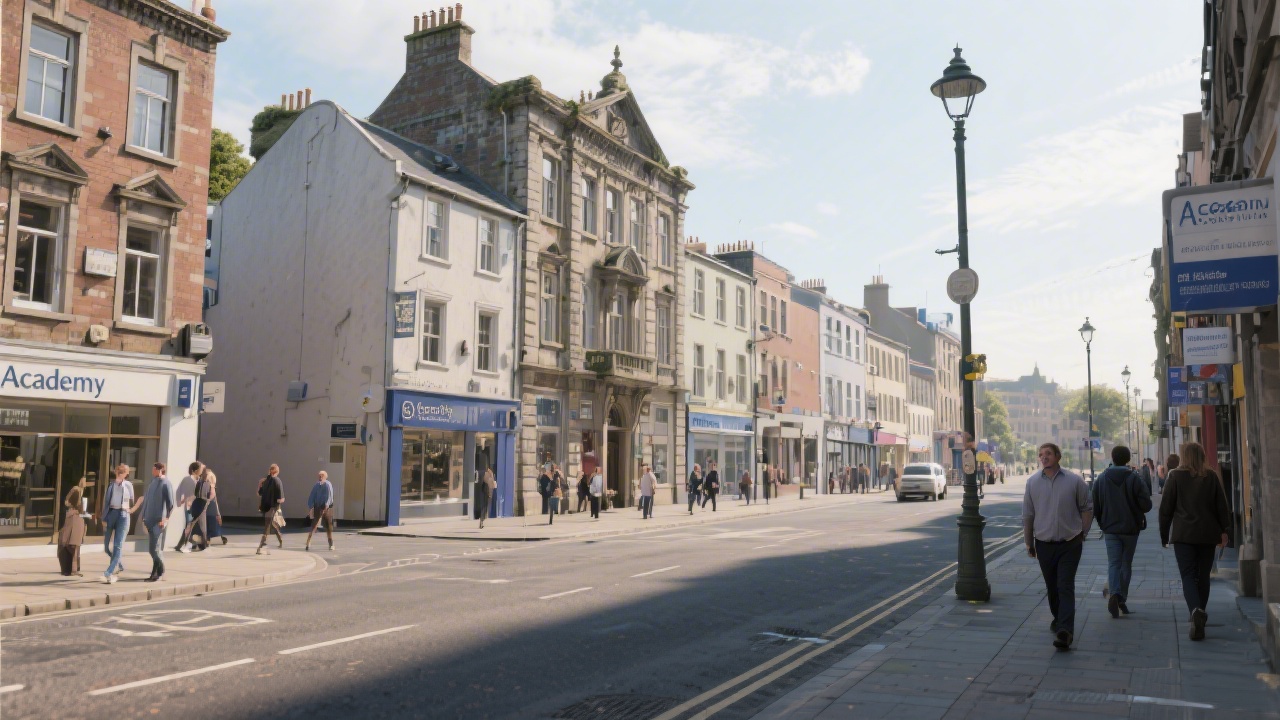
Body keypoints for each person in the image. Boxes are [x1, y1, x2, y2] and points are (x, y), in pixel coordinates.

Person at [1023, 443, 1092, 651]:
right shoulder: (1032, 482)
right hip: (1044, 544)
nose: (1044, 457)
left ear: (1058, 456)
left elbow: (1087, 508)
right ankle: (1059, 617)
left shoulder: (1074, 481)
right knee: (1052, 587)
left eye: (1048, 454)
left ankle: (1065, 631)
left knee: (1065, 585)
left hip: (1070, 543)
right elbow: (1028, 515)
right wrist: (1029, 542)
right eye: (1041, 455)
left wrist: (1083, 533)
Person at [1159, 442, 1230, 641]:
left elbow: (1166, 509)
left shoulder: (1174, 476)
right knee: (1203, 575)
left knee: (1188, 575)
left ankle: (1195, 610)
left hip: (1184, 535)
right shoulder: (1211, 476)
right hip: (1208, 534)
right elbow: (1221, 506)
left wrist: (1164, 534)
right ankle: (1200, 612)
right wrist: (1225, 529)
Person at [1090, 446, 1151, 618]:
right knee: (1126, 564)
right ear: (1127, 459)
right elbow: (1147, 504)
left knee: (1114, 563)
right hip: (1130, 529)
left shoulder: (1101, 479)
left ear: (1112, 457)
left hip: (1110, 529)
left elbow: (1095, 505)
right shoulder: (1134, 478)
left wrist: (1102, 522)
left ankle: (1114, 593)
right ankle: (1121, 598)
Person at [98, 464, 142, 584]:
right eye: (119, 471)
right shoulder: (111, 485)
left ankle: (109, 572)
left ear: (126, 474)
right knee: (107, 547)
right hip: (111, 513)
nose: (120, 473)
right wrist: (103, 517)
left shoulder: (128, 485)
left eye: (123, 472)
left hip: (123, 515)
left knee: (118, 545)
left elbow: (132, 500)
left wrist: (130, 509)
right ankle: (119, 564)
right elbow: (106, 502)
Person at [140, 462, 174, 582]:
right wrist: (143, 515)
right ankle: (157, 572)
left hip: (158, 521)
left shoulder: (166, 483)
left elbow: (171, 503)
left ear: (159, 470)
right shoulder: (153, 482)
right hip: (149, 519)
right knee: (152, 549)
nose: (152, 471)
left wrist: (166, 518)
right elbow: (147, 500)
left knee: (155, 549)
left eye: (153, 469)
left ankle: (159, 571)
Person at [177, 467, 213, 553]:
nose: (206, 476)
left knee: (202, 526)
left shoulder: (206, 484)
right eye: (206, 474)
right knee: (192, 524)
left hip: (202, 504)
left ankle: (203, 544)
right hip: (199, 503)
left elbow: (207, 496)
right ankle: (185, 544)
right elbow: (198, 494)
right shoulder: (201, 483)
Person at [57, 479, 87, 577]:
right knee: (72, 545)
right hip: (74, 520)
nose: (84, 483)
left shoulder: (79, 492)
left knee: (74, 545)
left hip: (77, 520)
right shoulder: (76, 490)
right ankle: (71, 569)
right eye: (83, 480)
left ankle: (72, 569)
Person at [172, 462, 201, 551]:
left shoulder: (199, 480)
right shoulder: (188, 479)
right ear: (196, 470)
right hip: (189, 506)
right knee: (189, 525)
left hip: (197, 505)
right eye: (200, 469)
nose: (201, 471)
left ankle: (188, 543)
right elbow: (179, 490)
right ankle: (185, 544)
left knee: (191, 525)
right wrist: (179, 502)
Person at [257, 464, 285, 555]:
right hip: (273, 507)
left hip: (266, 507)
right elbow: (281, 498)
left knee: (268, 525)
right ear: (277, 471)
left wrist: (260, 484)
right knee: (270, 525)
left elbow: (259, 493)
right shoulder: (277, 481)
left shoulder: (265, 481)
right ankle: (278, 539)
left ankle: (262, 546)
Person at [305, 470, 336, 551]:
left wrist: (326, 505)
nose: (320, 477)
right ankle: (308, 542)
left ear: (325, 476)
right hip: (318, 507)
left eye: (322, 475)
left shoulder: (328, 484)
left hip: (327, 508)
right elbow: (312, 495)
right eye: (319, 475)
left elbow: (330, 496)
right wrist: (310, 505)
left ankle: (331, 543)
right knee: (314, 524)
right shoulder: (316, 485)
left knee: (328, 526)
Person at [203, 470, 226, 547]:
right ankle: (209, 539)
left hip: (208, 508)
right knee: (212, 524)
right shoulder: (210, 487)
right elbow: (214, 500)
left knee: (209, 524)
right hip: (211, 509)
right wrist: (218, 513)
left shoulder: (206, 486)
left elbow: (213, 499)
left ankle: (207, 539)